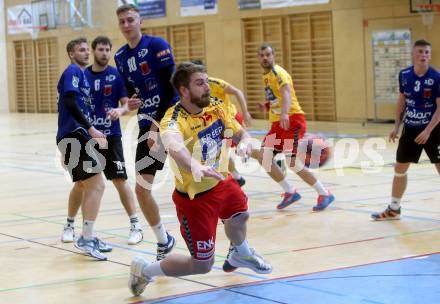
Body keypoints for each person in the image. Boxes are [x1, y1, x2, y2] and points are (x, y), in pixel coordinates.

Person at [127, 62, 272, 297]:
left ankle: (241, 253)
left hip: (221, 183)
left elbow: (238, 130)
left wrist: (244, 140)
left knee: (240, 215)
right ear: (184, 91)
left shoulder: (215, 106)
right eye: (200, 83)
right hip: (195, 200)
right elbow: (173, 144)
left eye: (206, 81)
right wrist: (194, 164)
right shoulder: (173, 118)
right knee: (202, 264)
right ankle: (145, 271)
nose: (207, 87)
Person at [61, 36, 143, 245]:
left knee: (119, 180)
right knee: (82, 183)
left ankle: (135, 225)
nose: (104, 53)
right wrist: (89, 127)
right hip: (87, 136)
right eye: (100, 49)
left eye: (108, 50)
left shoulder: (116, 75)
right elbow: (70, 101)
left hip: (110, 135)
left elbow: (126, 105)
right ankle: (71, 225)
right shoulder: (81, 74)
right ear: (93, 51)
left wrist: (120, 109)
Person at [114, 4, 178, 260]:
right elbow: (132, 92)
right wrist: (128, 103)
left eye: (131, 20)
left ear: (140, 21)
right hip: (146, 124)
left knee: (195, 181)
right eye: (122, 22)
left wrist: (156, 125)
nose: (127, 25)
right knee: (142, 189)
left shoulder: (156, 45)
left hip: (172, 120)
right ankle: (164, 241)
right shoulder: (120, 56)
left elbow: (170, 86)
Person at [254, 44, 335, 211]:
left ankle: (324, 193)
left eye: (268, 54)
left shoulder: (278, 72)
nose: (265, 58)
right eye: (262, 55)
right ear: (258, 58)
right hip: (278, 124)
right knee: (264, 156)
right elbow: (277, 97)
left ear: (273, 55)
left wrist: (284, 113)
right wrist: (268, 106)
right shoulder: (267, 76)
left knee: (292, 162)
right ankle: (290, 191)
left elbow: (286, 93)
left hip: (292, 121)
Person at [372, 39, 440, 221]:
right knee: (400, 168)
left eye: (426, 52)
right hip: (410, 129)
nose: (423, 55)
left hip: (433, 130)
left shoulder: (436, 77)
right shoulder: (404, 75)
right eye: (420, 52)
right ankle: (394, 209)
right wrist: (396, 126)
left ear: (430, 55)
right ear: (413, 54)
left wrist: (427, 131)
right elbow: (402, 100)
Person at [56, 37, 108, 260]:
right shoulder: (72, 72)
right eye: (81, 50)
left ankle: (87, 235)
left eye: (88, 50)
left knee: (88, 185)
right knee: (97, 184)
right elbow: (69, 102)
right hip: (74, 135)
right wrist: (91, 129)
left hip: (77, 135)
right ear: (71, 53)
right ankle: (86, 238)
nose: (87, 53)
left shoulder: (83, 77)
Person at [191, 59, 252, 186]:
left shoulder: (215, 83)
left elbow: (237, 92)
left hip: (231, 118)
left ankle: (272, 157)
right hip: (218, 122)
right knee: (222, 152)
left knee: (235, 149)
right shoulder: (191, 92)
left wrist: (245, 113)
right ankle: (237, 177)